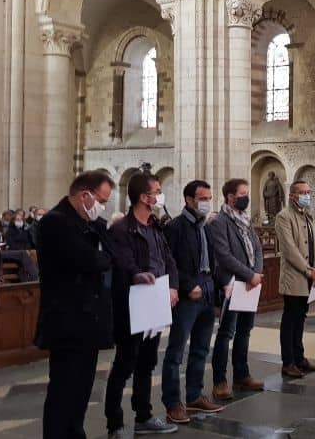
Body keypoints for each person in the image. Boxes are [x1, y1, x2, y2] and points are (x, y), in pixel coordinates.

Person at [35, 171, 115, 439]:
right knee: (63, 390)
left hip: (88, 320)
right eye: (100, 201)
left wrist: (102, 247)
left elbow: (110, 255)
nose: (101, 208)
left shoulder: (89, 224)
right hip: (67, 320)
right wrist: (101, 257)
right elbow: (92, 261)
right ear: (85, 195)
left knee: (82, 388)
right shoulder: (55, 222)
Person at [105, 173, 179, 437]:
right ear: (143, 197)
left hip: (155, 301)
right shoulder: (122, 229)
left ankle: (144, 416)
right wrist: (138, 273)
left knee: (147, 362)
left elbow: (168, 258)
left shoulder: (156, 226)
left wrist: (172, 285)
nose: (160, 196)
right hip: (132, 303)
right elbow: (123, 261)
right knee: (125, 363)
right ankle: (114, 423)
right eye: (157, 191)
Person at [161, 180, 224, 424]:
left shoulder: (205, 226)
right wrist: (187, 286)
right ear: (189, 200)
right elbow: (170, 263)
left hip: (207, 292)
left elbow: (212, 259)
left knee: (200, 349)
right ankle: (173, 403)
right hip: (188, 297)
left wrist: (218, 288)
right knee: (176, 352)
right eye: (203, 198)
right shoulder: (176, 227)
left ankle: (195, 395)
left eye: (209, 197)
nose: (207, 202)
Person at [209, 178, 265, 400]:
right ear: (231, 197)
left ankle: (242, 375)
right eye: (242, 194)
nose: (246, 197)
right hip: (232, 284)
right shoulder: (220, 222)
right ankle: (220, 381)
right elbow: (223, 255)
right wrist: (249, 274)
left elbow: (257, 248)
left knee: (245, 330)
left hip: (249, 284)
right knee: (226, 333)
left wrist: (257, 273)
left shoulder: (245, 220)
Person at [275, 180, 315, 377]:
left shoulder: (308, 217)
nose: (306, 195)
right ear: (292, 195)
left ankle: (299, 357)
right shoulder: (284, 217)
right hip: (295, 276)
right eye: (302, 192)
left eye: (308, 192)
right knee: (291, 319)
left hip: (310, 275)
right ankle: (288, 362)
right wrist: (307, 270)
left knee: (301, 317)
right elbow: (289, 249)